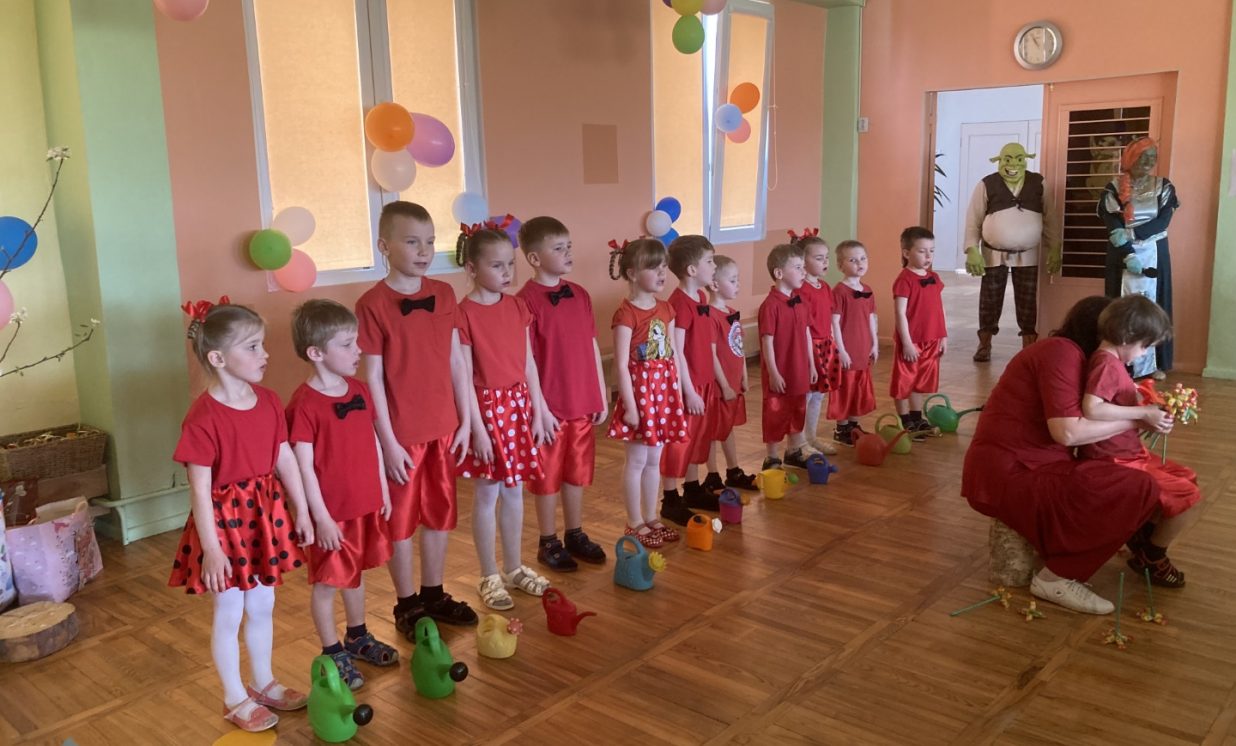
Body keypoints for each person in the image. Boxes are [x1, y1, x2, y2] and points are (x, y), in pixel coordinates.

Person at [962, 296, 1167, 614]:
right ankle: (1057, 577)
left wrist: (1139, 417)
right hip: (1013, 471)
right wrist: (1138, 418)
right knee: (1138, 486)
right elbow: (1068, 433)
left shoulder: (1071, 355)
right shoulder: (1061, 352)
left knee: (1136, 480)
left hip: (1032, 464)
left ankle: (1074, 553)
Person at [169, 299, 313, 733]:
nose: (264, 354)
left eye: (261, 344)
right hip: (225, 525)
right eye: (252, 347)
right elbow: (199, 489)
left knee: (264, 603)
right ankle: (234, 697)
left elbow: (284, 457)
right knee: (230, 609)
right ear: (217, 358)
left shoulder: (268, 400)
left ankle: (263, 682)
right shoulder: (202, 417)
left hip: (265, 516)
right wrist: (212, 551)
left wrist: (302, 509)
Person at [355, 201, 477, 637]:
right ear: (384, 246)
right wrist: (386, 443)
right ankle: (407, 603)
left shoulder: (444, 294)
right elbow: (372, 378)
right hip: (402, 434)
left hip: (444, 427)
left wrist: (465, 420)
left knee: (440, 513)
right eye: (412, 242)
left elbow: (457, 362)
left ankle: (433, 593)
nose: (424, 251)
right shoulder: (372, 304)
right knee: (401, 521)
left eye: (429, 241)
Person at [286, 300, 397, 690]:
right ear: (316, 353)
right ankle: (331, 650)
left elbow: (373, 442)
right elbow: (303, 466)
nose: (358, 350)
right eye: (347, 344)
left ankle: (357, 635)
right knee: (328, 582)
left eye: (356, 341)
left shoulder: (360, 390)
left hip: (365, 504)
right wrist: (320, 517)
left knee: (355, 573)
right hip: (332, 515)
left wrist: (382, 489)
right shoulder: (304, 405)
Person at [455, 228, 552, 610]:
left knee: (514, 491)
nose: (507, 272)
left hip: (518, 405)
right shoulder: (463, 313)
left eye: (510, 264)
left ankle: (513, 568)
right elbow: (463, 375)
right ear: (472, 268)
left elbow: (528, 363)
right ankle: (489, 574)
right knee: (487, 493)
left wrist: (539, 411)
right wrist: (476, 428)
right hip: (486, 410)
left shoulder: (517, 306)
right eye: (496, 266)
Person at [1080, 294, 1200, 587]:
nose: (1144, 353)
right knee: (1187, 497)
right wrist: (1143, 412)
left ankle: (1141, 536)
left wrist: (1151, 410)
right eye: (1145, 346)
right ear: (1126, 337)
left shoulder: (1112, 363)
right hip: (1115, 460)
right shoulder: (1107, 365)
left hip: (1128, 454)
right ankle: (1152, 556)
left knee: (1186, 478)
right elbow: (1092, 408)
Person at [515, 217, 608, 573]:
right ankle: (548, 540)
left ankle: (575, 532)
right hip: (549, 408)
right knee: (547, 476)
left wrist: (600, 392)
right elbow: (527, 362)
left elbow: (592, 344)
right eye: (558, 248)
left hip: (582, 401)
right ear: (535, 258)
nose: (568, 253)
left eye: (568, 246)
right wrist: (539, 409)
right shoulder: (525, 302)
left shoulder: (580, 294)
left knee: (576, 471)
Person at [606, 238, 689, 548]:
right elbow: (620, 364)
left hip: (663, 393)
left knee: (655, 460)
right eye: (653, 267)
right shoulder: (625, 314)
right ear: (632, 273)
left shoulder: (666, 309)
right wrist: (629, 405)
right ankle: (634, 521)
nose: (661, 273)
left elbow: (673, 354)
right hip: (640, 396)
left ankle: (652, 516)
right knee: (637, 461)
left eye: (663, 267)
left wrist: (677, 392)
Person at [963, 142, 1062, 361]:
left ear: (1025, 160)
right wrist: (972, 249)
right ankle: (984, 344)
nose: (1013, 164)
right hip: (993, 253)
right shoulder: (987, 184)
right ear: (999, 161)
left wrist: (1055, 248)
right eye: (1008, 159)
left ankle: (1029, 346)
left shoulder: (1038, 183)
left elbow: (1051, 218)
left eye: (1018, 159)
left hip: (1028, 254)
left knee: (1027, 300)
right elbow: (973, 219)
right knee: (989, 299)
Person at [1097, 136, 1179, 380]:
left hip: (1154, 251)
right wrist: (1126, 246)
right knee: (1119, 307)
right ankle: (1119, 364)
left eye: (1153, 157)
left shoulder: (1164, 186)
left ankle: (1154, 364)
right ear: (1131, 159)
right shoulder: (1113, 187)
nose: (1148, 162)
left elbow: (1163, 220)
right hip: (1121, 252)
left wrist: (1132, 234)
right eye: (1143, 157)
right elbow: (1112, 221)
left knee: (1155, 306)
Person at [659, 235, 719, 515]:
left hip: (704, 381)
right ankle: (670, 497)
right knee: (680, 441)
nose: (714, 267)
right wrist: (689, 390)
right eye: (710, 261)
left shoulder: (701, 297)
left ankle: (692, 488)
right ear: (692, 269)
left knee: (697, 437)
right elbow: (677, 350)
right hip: (689, 385)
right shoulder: (679, 304)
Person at [758, 244, 819, 469]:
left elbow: (806, 334)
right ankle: (772, 456)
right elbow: (767, 341)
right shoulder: (770, 305)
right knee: (775, 411)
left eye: (804, 267)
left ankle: (794, 449)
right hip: (780, 369)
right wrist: (773, 372)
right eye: (797, 267)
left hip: (799, 367)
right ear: (779, 273)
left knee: (797, 407)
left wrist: (811, 364)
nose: (804, 272)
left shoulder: (800, 301)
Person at [701, 255, 758, 491]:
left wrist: (743, 375)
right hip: (718, 386)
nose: (738, 285)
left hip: (733, 382)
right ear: (715, 285)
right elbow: (711, 354)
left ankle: (733, 469)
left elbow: (738, 347)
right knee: (712, 431)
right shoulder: (709, 315)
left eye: (738, 279)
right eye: (733, 280)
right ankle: (712, 474)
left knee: (727, 427)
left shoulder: (732, 312)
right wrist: (724, 385)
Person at [891, 227, 947, 437]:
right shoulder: (904, 280)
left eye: (931, 251)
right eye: (922, 251)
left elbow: (939, 307)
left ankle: (917, 417)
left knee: (921, 381)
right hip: (912, 341)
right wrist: (906, 343)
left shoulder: (934, 277)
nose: (928, 256)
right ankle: (905, 420)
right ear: (906, 253)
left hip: (932, 338)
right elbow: (900, 313)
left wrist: (943, 335)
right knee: (904, 381)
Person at [792, 230, 840, 456]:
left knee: (819, 394)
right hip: (809, 347)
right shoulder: (801, 290)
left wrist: (834, 342)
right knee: (807, 394)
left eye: (826, 257)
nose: (825, 262)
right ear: (803, 262)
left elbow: (829, 317)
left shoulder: (825, 288)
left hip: (825, 347)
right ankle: (800, 442)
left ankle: (811, 437)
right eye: (819, 258)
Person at [829, 240, 878, 445]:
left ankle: (854, 425)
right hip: (847, 349)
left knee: (859, 387)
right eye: (853, 260)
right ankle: (842, 428)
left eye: (863, 259)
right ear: (840, 265)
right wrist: (841, 350)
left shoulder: (867, 289)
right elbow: (834, 323)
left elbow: (871, 318)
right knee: (845, 388)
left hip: (863, 347)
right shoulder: (839, 292)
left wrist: (875, 343)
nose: (860, 263)